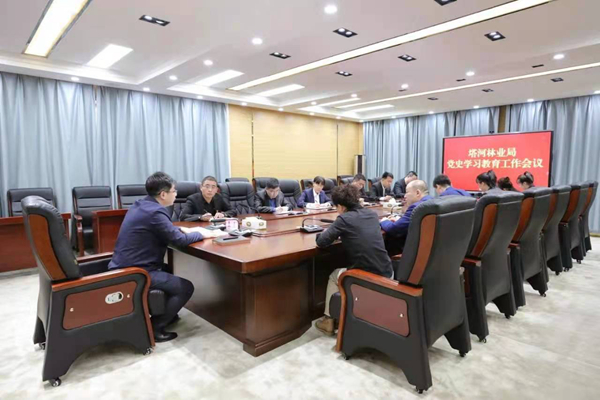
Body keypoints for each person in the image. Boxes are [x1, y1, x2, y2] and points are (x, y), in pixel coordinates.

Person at [109, 172, 203, 342]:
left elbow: (163, 230)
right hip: (136, 272)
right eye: (174, 191)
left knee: (169, 270)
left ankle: (168, 313)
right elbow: (180, 240)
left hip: (123, 265)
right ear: (163, 194)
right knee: (186, 287)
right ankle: (155, 328)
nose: (176, 194)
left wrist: (178, 230)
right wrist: (201, 233)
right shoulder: (156, 212)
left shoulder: (140, 205)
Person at [314, 185, 393, 335]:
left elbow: (321, 242)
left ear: (341, 206)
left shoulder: (344, 218)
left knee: (334, 276)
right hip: (387, 272)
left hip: (368, 277)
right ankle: (342, 313)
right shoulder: (371, 214)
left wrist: (324, 233)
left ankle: (328, 320)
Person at [380, 180, 433, 255]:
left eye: (407, 192)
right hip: (428, 249)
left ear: (417, 193)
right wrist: (400, 219)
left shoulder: (416, 207)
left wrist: (384, 221)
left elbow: (394, 229)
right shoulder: (432, 201)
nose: (405, 196)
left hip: (411, 252)